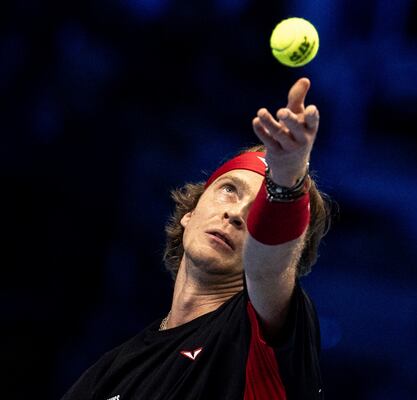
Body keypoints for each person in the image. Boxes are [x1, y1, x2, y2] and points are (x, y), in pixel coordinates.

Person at [61, 77, 332, 400]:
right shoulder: (111, 370)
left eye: (260, 209)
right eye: (229, 190)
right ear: (190, 213)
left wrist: (287, 179)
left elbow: (269, 265)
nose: (236, 214)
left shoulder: (264, 335)